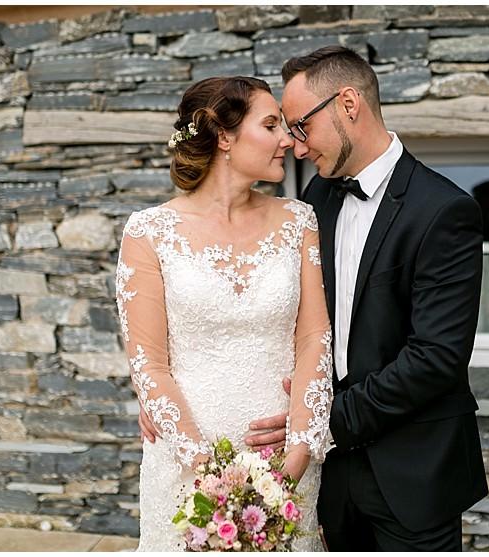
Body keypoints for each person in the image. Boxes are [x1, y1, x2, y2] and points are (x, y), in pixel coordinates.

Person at [247, 45, 488, 551]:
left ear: (348, 105)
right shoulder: (315, 199)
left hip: (413, 474)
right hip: (331, 478)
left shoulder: (445, 211)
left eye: (301, 126)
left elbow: (435, 358)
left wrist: (321, 421)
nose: (296, 147)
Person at [119, 76, 333, 551]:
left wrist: (299, 452)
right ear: (225, 137)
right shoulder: (149, 232)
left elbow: (315, 339)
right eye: (272, 124)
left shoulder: (299, 221)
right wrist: (213, 478)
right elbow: (148, 364)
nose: (287, 140)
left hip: (285, 464)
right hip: (186, 465)